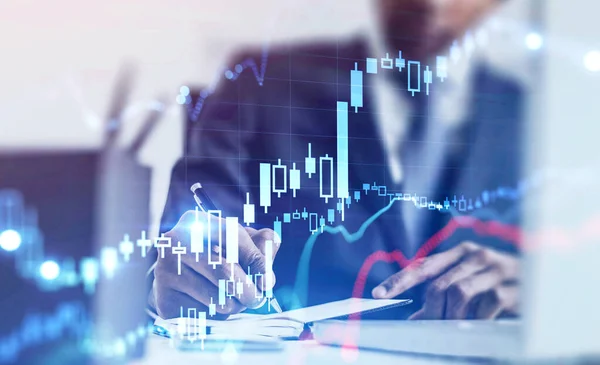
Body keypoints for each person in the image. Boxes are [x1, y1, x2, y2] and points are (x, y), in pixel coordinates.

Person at [149, 0, 523, 321]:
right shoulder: (261, 82)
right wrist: (172, 280)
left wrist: (538, 294)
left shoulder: (536, 121)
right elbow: (182, 247)